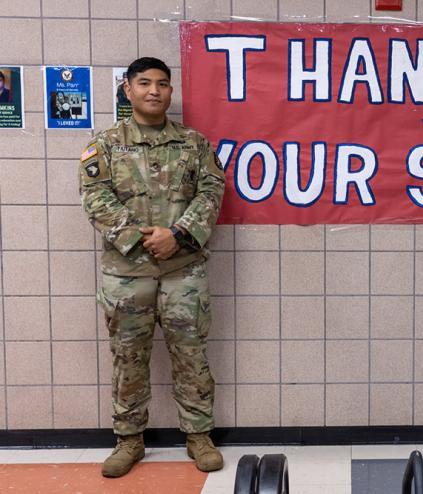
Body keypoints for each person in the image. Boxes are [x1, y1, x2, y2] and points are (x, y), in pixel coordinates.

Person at [79, 57, 226, 478]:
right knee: (128, 357)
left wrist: (177, 235)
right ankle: (129, 441)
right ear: (128, 89)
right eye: (144, 83)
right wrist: (142, 237)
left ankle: (198, 436)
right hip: (127, 273)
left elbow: (212, 191)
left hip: (183, 271)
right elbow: (95, 197)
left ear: (170, 91)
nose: (154, 91)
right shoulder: (105, 144)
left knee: (191, 354)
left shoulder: (194, 144)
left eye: (162, 84)